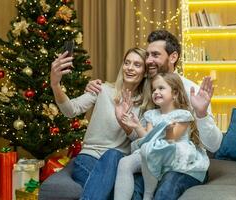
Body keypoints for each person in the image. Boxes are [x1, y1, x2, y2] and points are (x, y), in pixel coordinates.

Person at [85, 30, 223, 200]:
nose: (148, 60)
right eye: (148, 55)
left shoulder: (191, 91)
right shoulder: (143, 87)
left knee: (166, 186)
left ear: (172, 57)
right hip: (150, 155)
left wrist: (201, 114)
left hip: (179, 161)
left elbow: (214, 146)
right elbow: (119, 88)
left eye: (155, 55)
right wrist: (94, 86)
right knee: (132, 188)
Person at [50, 47, 147, 200]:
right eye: (127, 63)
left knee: (114, 155)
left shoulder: (145, 105)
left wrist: (124, 123)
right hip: (90, 158)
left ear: (145, 71)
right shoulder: (102, 89)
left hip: (119, 165)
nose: (130, 68)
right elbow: (71, 110)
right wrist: (55, 85)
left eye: (137, 64)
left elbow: (140, 141)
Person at [114, 73, 210, 200]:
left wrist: (169, 130)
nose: (156, 92)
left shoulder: (183, 115)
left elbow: (170, 141)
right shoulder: (151, 115)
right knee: (125, 162)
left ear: (175, 94)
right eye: (154, 89)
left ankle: (148, 194)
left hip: (172, 153)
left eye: (161, 88)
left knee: (148, 150)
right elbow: (148, 138)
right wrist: (137, 126)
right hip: (151, 150)